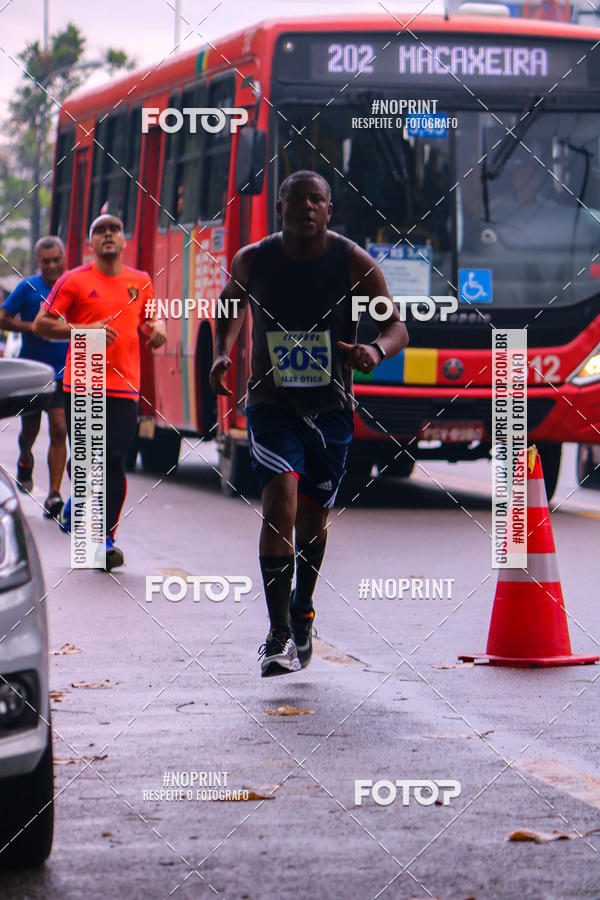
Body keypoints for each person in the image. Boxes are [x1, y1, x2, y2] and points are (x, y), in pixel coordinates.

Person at [209, 170, 408, 677]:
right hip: (272, 405)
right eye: (296, 200)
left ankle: (302, 606)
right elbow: (229, 307)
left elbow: (395, 326)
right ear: (280, 209)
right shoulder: (254, 258)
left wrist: (374, 350)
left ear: (329, 210)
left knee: (313, 522)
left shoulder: (352, 261)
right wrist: (221, 354)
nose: (306, 208)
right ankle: (277, 634)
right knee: (279, 503)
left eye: (316, 200)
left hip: (331, 412)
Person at [33, 214, 166, 570]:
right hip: (82, 383)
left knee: (115, 460)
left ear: (124, 241)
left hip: (124, 386)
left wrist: (159, 330)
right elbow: (42, 323)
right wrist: (83, 329)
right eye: (100, 231)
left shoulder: (141, 281)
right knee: (92, 462)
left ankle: (105, 537)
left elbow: (152, 319)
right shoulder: (73, 280)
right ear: (90, 244)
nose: (108, 235)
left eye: (114, 230)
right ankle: (87, 525)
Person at [0, 236, 68, 518]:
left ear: (63, 259)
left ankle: (54, 494)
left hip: (63, 373)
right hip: (32, 374)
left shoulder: (72, 285)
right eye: (46, 261)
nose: (52, 266)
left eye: (56, 260)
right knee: (29, 432)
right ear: (38, 262)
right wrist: (32, 327)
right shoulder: (28, 287)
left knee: (59, 428)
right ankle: (25, 459)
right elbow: (3, 318)